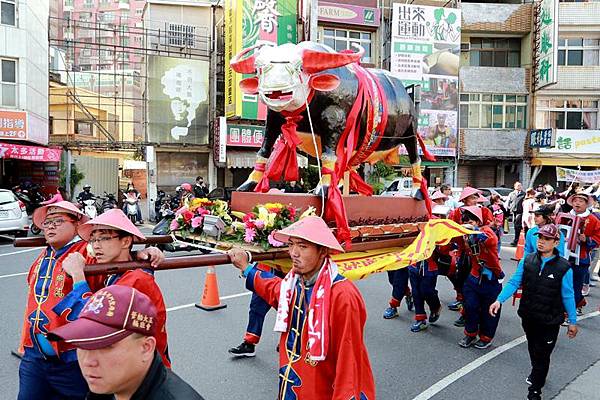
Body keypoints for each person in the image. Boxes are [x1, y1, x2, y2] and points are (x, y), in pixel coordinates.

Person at [18, 201, 163, 400]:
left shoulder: (85, 254)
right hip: (34, 355)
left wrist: (141, 255)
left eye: (58, 221)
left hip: (69, 357)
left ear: (77, 224)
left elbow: (116, 261)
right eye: (47, 222)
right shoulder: (42, 257)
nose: (50, 226)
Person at [227, 216, 375, 399]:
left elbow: (349, 361)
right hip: (291, 383)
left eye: (303, 247)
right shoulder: (294, 284)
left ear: (323, 251)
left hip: (320, 388)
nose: (293, 253)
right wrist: (246, 267)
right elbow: (273, 288)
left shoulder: (343, 295)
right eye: (291, 244)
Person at [47, 285, 204, 400]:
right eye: (81, 345)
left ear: (146, 348)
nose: (88, 361)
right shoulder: (107, 389)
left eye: (105, 346)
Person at [60, 209, 171, 368]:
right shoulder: (116, 271)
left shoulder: (137, 279)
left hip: (141, 370)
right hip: (126, 364)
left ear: (125, 242)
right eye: (93, 239)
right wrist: (135, 254)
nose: (96, 246)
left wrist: (78, 276)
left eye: (103, 238)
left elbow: (93, 322)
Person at [490, 224, 577, 400]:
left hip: (550, 320)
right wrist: (499, 300)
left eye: (546, 239)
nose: (541, 242)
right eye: (540, 238)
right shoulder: (527, 260)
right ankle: (537, 371)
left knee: (543, 354)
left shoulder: (564, 267)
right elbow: (514, 282)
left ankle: (535, 390)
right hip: (528, 316)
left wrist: (573, 322)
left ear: (555, 242)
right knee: (533, 349)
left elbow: (568, 295)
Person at [458, 206, 504, 349]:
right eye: (465, 221)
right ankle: (470, 334)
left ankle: (486, 337)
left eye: (471, 221)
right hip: (473, 277)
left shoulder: (486, 231)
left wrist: (476, 232)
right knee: (470, 306)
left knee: (489, 311)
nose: (468, 224)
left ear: (478, 221)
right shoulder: (465, 234)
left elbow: (491, 240)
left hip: (491, 280)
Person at [228, 264, 286, 357]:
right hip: (266, 267)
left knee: (288, 309)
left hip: (289, 269)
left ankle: (288, 340)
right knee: (256, 307)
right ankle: (249, 343)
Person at [563, 192, 600, 313]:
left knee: (576, 285)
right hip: (564, 256)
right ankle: (565, 308)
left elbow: (598, 238)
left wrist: (587, 239)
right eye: (575, 200)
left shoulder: (593, 219)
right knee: (563, 284)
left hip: (581, 257)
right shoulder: (565, 216)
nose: (577, 203)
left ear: (586, 204)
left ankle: (572, 309)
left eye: (580, 201)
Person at [507, 182, 525, 246]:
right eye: (518, 185)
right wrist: (508, 209)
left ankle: (516, 240)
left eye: (520, 185)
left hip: (520, 212)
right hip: (513, 212)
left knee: (518, 226)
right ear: (514, 187)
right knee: (515, 226)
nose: (519, 187)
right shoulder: (511, 194)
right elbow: (508, 202)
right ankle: (517, 239)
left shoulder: (524, 194)